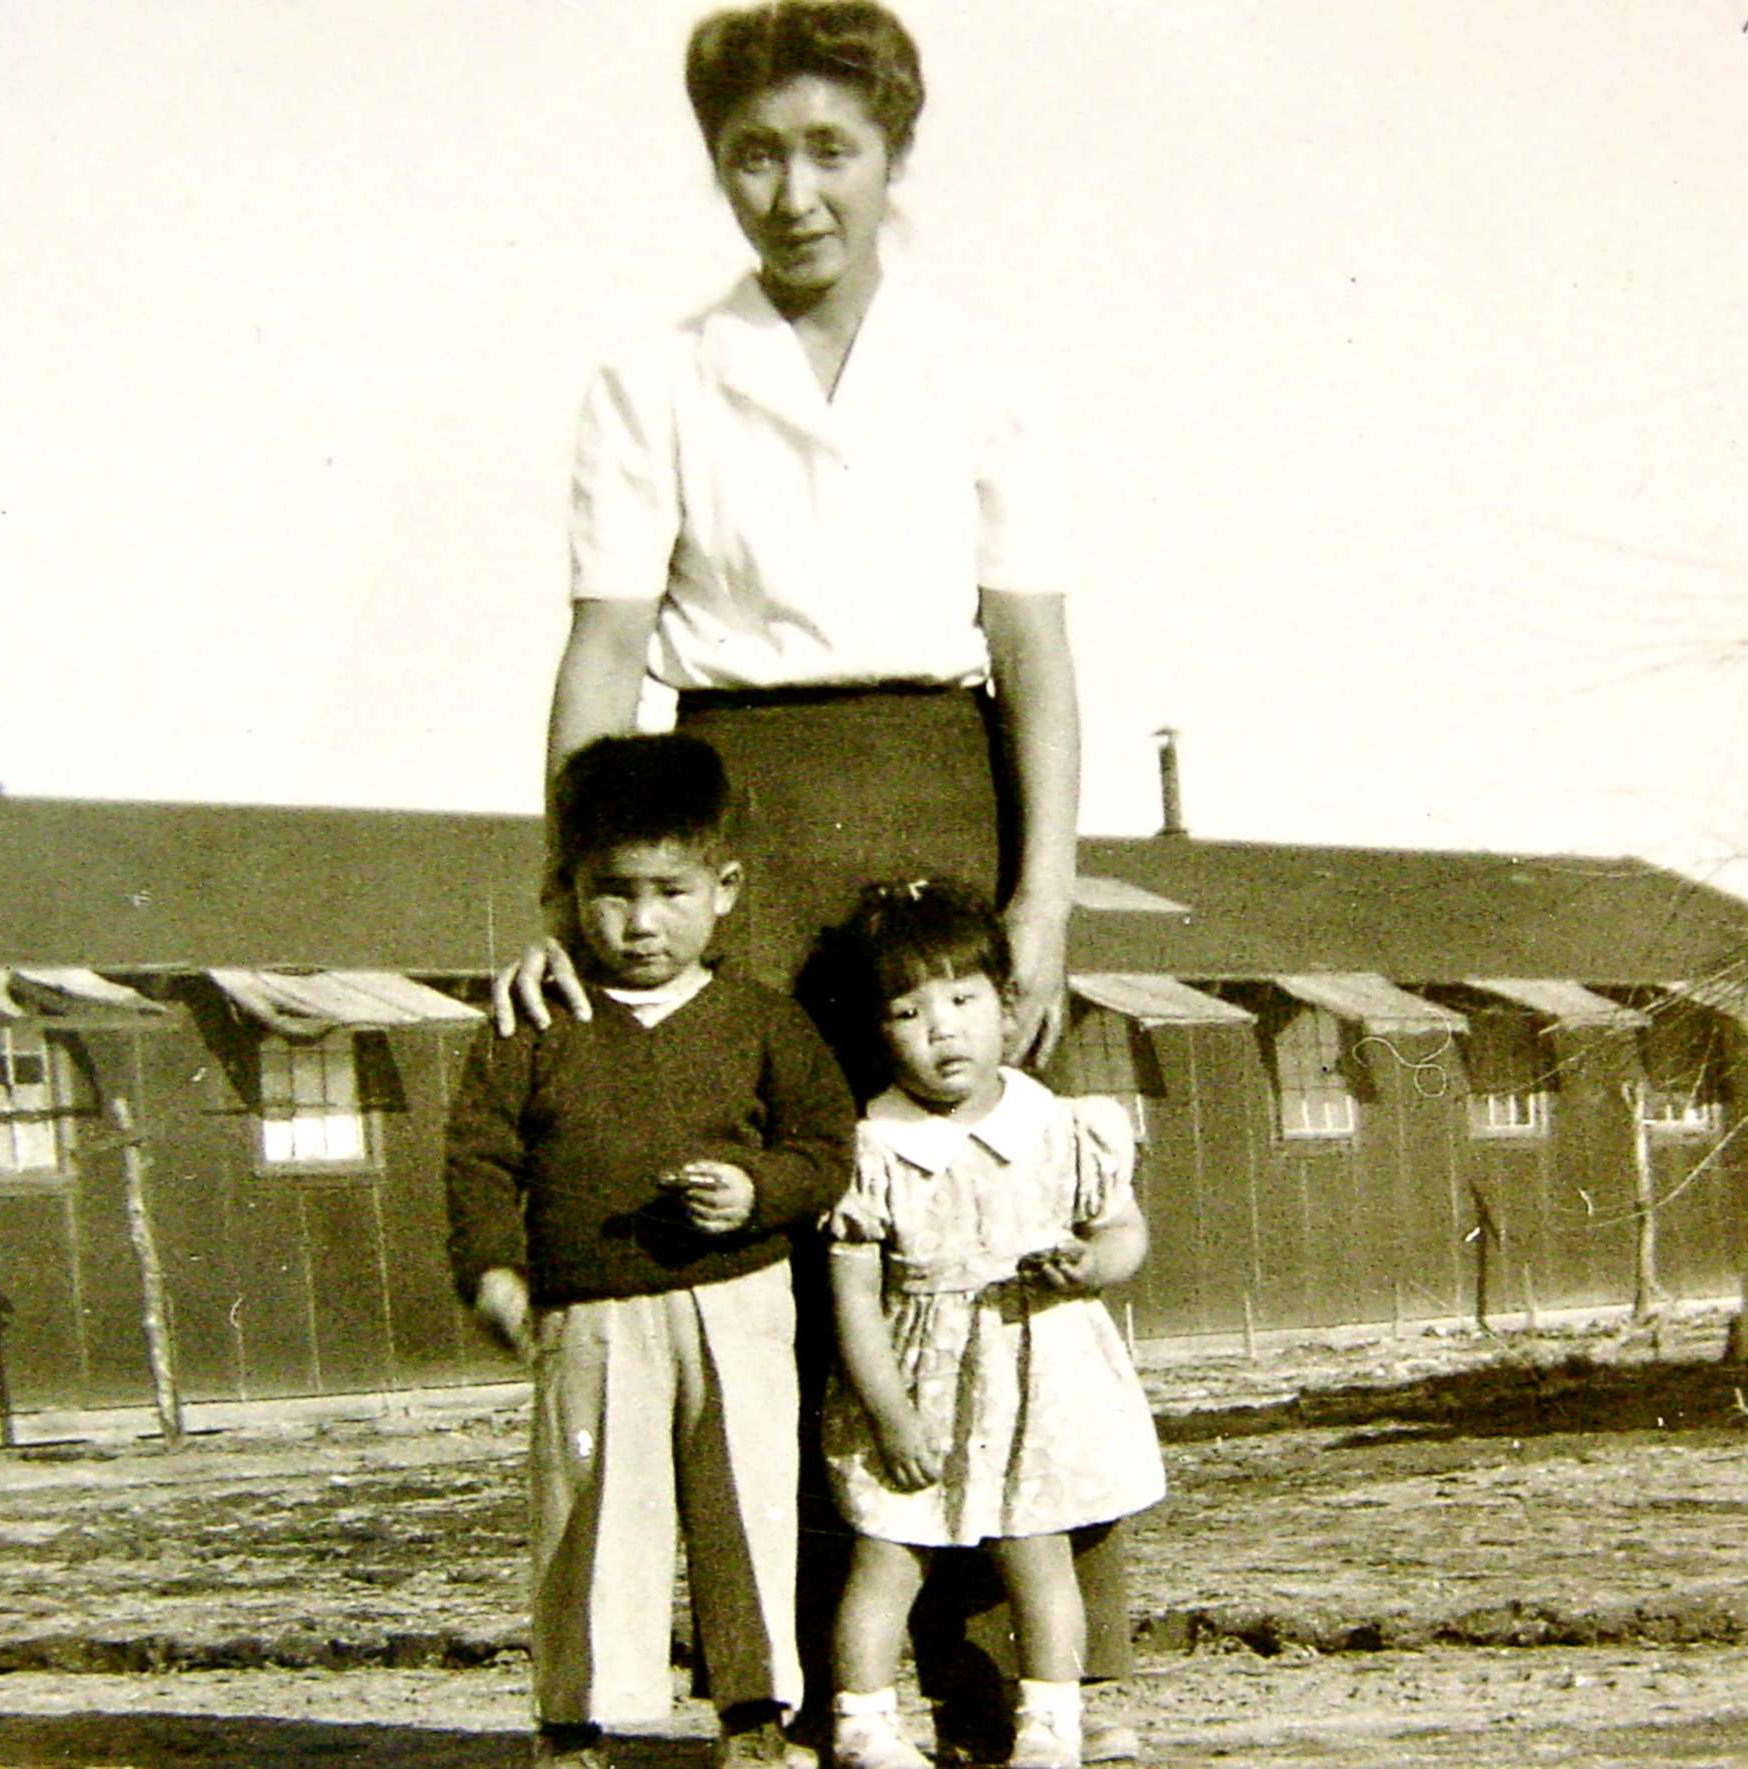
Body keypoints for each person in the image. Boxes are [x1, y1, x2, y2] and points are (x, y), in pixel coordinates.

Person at [495, 3, 1141, 1760]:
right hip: (738, 820)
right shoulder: (651, 380)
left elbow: (1040, 657)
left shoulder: (986, 369)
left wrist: (1046, 899)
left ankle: (1009, 1667)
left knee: (976, 1231)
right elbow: (602, 651)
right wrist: (563, 900)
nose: (791, 190)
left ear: (892, 156)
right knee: (770, 1245)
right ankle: (791, 1680)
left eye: (827, 148)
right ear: (717, 166)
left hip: (939, 803)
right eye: (753, 153)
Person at [447, 734, 855, 1769]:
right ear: (564, 892)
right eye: (610, 892)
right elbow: (480, 1157)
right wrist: (493, 1268)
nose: (638, 921)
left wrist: (760, 1188)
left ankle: (757, 1714)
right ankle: (576, 1724)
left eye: (669, 891)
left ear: (723, 888)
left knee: (747, 1503)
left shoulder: (765, 1020)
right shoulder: (532, 1020)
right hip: (590, 1312)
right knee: (590, 1513)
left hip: (739, 1300)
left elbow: (825, 1147)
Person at [816, 881, 1164, 1769]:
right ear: (877, 1028)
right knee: (889, 1554)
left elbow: (1123, 1229)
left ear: (1008, 1011)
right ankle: (863, 1726)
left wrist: (1093, 1264)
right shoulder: (872, 1149)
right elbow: (853, 1296)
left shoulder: (1059, 1127)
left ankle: (1050, 1724)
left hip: (1040, 1377)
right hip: (918, 1382)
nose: (942, 1030)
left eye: (964, 1001)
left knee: (1039, 1551)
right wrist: (890, 1414)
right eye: (908, 1010)